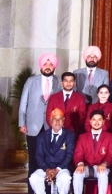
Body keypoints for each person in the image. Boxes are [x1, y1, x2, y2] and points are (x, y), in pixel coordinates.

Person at [19, 52, 62, 189]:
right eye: (45, 64)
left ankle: (48, 189)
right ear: (40, 66)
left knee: (49, 159)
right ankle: (32, 190)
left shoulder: (59, 81)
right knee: (34, 159)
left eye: (50, 64)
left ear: (54, 66)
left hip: (51, 127)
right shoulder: (31, 81)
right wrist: (22, 123)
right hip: (33, 125)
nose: (48, 66)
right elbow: (23, 103)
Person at [29, 108, 75, 194]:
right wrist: (47, 169)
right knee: (34, 178)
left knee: (65, 179)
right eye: (55, 119)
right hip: (45, 168)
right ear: (50, 121)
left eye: (60, 119)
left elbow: (69, 154)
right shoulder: (42, 136)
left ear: (63, 120)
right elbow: (38, 155)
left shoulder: (69, 135)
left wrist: (57, 170)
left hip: (62, 168)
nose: (57, 122)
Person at [73, 110, 112, 194]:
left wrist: (104, 164)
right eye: (94, 120)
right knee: (77, 174)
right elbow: (78, 154)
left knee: (103, 174)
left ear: (103, 122)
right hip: (85, 166)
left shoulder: (110, 137)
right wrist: (80, 164)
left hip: (101, 166)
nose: (96, 122)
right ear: (90, 121)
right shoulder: (82, 137)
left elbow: (111, 154)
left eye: (99, 120)